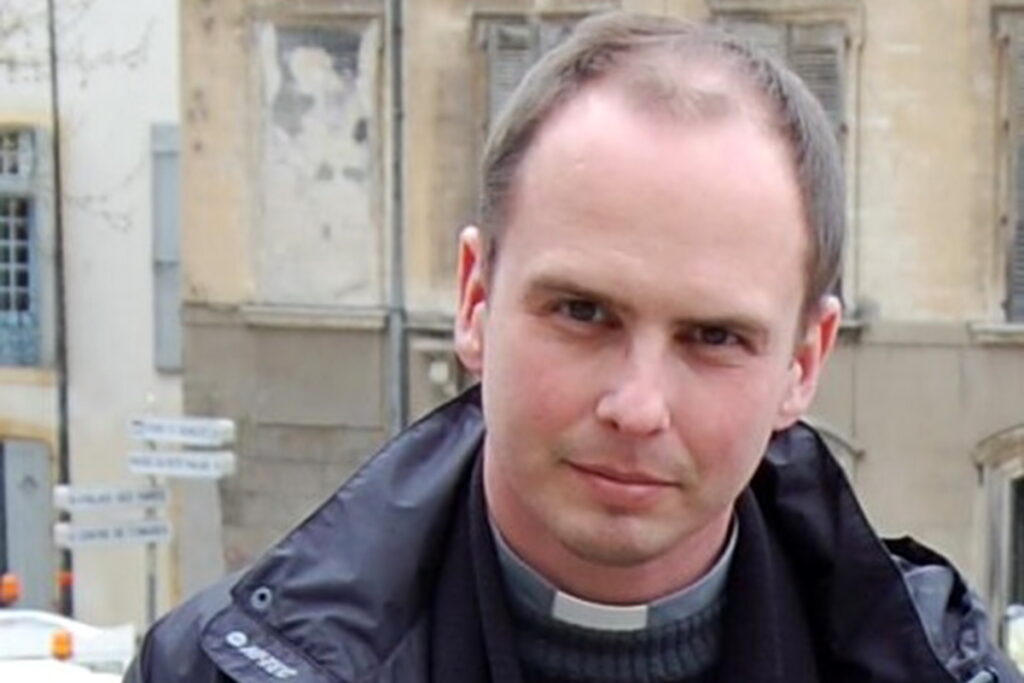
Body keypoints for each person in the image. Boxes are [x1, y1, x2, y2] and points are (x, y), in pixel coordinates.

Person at [125, 11, 1021, 683]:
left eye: (714, 336)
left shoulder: (935, 666)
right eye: (583, 312)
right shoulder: (210, 669)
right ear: (475, 300)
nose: (636, 406)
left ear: (805, 362)